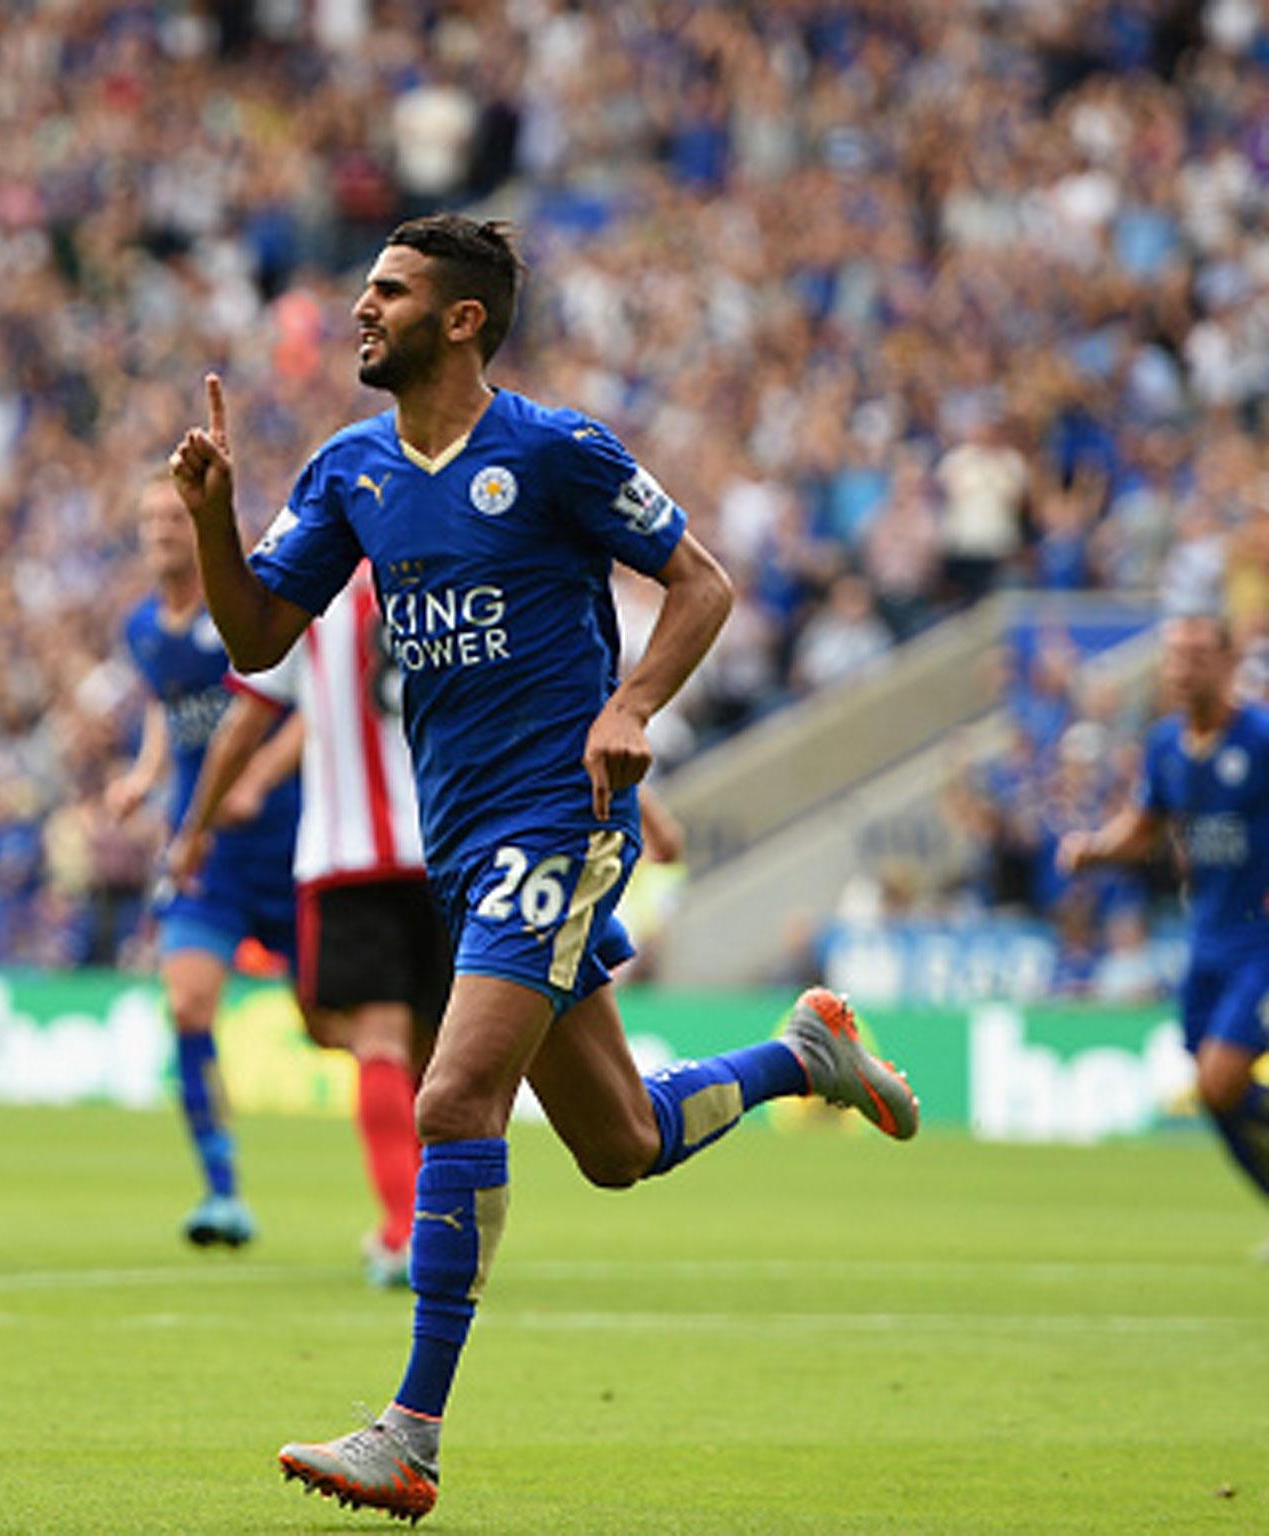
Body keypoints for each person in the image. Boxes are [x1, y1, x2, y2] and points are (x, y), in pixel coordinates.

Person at [167, 214, 918, 1521]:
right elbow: (260, 636)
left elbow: (700, 585)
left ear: (460, 319)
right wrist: (216, 520)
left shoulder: (555, 451)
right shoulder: (351, 471)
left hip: (558, 826)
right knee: (618, 1144)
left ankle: (410, 1434)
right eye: (364, 289)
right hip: (457, 844)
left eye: (388, 292)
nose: (361, 310)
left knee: (454, 1099)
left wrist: (632, 709)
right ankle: (805, 1057)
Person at [170, 562, 445, 1289]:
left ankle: (403, 1229)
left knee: (379, 1042)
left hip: (350, 855)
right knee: (438, 1054)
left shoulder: (309, 592)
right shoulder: (449, 569)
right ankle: (437, 1224)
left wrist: (197, 828)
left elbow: (243, 726)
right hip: (450, 848)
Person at [106, 475, 302, 1248]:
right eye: (148, 517)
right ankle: (222, 1190)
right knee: (186, 1003)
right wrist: (144, 778)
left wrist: (256, 777)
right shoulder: (142, 629)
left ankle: (422, 1172)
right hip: (205, 855)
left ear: (201, 528)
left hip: (292, 848)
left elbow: (310, 713)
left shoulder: (249, 610)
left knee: (337, 1022)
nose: (158, 530)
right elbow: (169, 712)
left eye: (171, 517)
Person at [1059, 615, 1269, 1251]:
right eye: (1175, 656)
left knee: (1220, 1079)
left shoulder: (1259, 740)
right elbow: (1146, 824)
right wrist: (1096, 851)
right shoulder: (1165, 746)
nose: (1183, 668)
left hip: (1260, 943)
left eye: (1198, 655)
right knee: (1212, 1092)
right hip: (1205, 939)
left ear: (1229, 663)